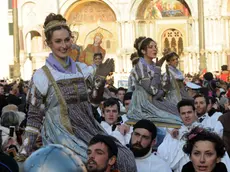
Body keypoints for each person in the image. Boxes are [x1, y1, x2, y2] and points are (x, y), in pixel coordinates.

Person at [15, 13, 136, 172]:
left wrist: (100, 78)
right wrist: (24, 151)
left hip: (88, 128)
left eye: (67, 40)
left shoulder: (82, 69)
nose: (64, 45)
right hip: (61, 135)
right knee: (86, 164)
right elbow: (34, 118)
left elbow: (94, 100)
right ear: (48, 43)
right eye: (58, 41)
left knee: (124, 157)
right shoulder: (42, 76)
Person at [127, 36, 181, 125]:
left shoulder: (153, 65)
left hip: (155, 100)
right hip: (144, 104)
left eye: (155, 47)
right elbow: (153, 90)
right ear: (143, 51)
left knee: (179, 112)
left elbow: (159, 90)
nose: (155, 49)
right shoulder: (140, 66)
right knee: (175, 119)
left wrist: (165, 85)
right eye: (150, 47)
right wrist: (158, 68)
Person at [158, 99, 198, 172]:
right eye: (183, 113)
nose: (186, 116)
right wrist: (175, 140)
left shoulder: (204, 130)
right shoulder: (174, 133)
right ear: (179, 115)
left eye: (189, 112)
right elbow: (165, 157)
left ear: (195, 112)